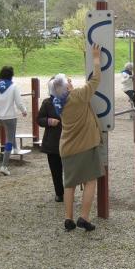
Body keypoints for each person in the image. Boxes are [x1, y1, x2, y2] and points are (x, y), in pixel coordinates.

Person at [53, 44, 105, 232]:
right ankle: (83, 216)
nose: (71, 82)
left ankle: (68, 219)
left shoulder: (58, 102)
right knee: (91, 180)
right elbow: (96, 80)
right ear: (66, 87)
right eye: (68, 81)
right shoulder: (78, 96)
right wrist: (96, 58)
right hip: (85, 146)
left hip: (67, 148)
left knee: (70, 184)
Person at [0, 66, 27, 176]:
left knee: (10, 132)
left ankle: (16, 148)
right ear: (11, 75)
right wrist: (24, 110)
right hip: (10, 116)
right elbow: (19, 102)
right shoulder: (13, 86)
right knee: (9, 139)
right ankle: (4, 165)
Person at [37, 77, 64, 202]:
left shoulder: (69, 100)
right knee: (55, 170)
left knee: (70, 170)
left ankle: (69, 191)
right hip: (52, 142)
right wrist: (48, 121)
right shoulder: (47, 102)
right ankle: (59, 193)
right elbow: (39, 119)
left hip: (68, 141)